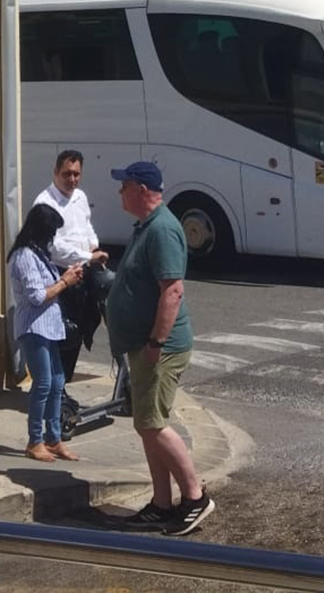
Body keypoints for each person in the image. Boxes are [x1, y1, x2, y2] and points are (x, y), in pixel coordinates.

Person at [103, 161, 216, 537]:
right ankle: (161, 504)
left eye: (124, 186)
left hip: (159, 348)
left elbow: (173, 290)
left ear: (139, 189)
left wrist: (156, 341)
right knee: (146, 425)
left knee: (152, 424)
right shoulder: (147, 227)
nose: (120, 192)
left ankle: (195, 497)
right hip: (145, 345)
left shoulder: (163, 230)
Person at [8, 202, 86, 462]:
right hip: (34, 327)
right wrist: (65, 282)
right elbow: (36, 296)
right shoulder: (24, 256)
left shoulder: (40, 253)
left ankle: (53, 438)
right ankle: (35, 440)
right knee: (42, 383)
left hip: (49, 326)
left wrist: (67, 276)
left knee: (57, 382)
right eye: (50, 233)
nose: (52, 238)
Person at [32, 149, 108, 390]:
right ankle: (56, 389)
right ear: (55, 172)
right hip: (59, 275)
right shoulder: (45, 203)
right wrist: (89, 256)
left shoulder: (80, 197)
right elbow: (53, 246)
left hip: (83, 273)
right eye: (67, 174)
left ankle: (64, 384)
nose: (72, 179)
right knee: (64, 334)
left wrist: (93, 244)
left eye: (76, 174)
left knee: (83, 327)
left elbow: (86, 227)